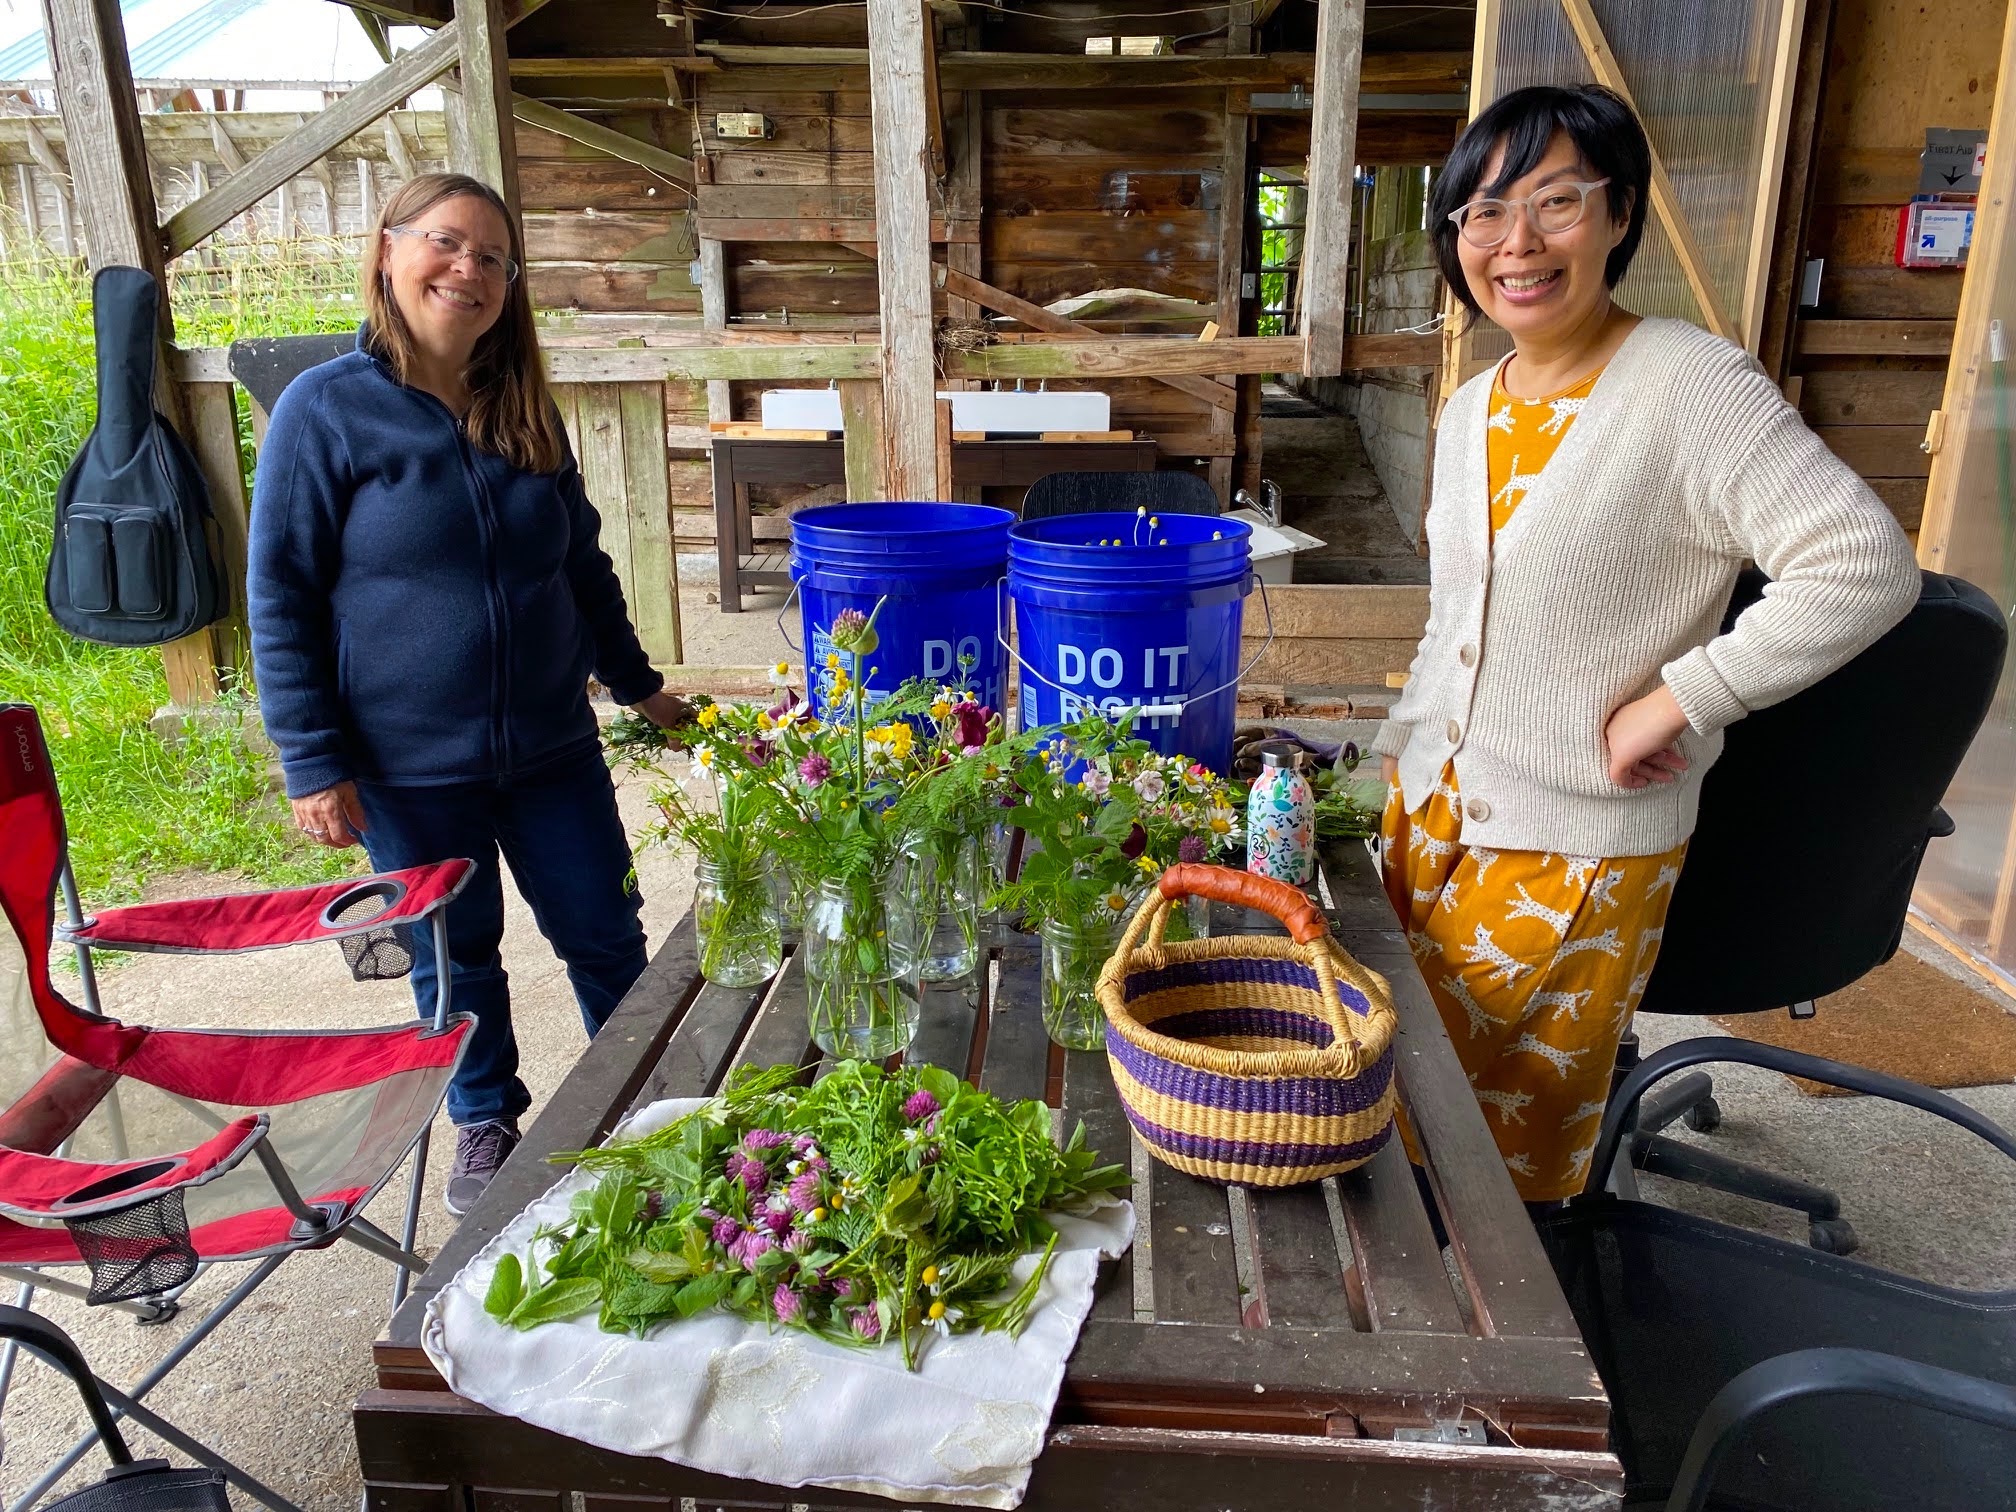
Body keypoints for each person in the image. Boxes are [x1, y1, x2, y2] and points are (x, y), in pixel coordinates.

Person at [1373, 85, 1920, 1209]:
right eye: (1482, 214)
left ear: (1619, 214)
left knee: (1485, 1178)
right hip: (1428, 821)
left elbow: (1863, 563)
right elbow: (1456, 621)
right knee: (1385, 1108)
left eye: (1556, 201)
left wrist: (1683, 697)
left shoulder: (1690, 385)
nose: (1516, 243)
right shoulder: (1472, 405)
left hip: (1570, 843)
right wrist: (1391, 760)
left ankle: (1506, 1368)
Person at [248, 173, 690, 1215]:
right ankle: (485, 1117)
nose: (470, 271)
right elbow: (282, 594)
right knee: (454, 956)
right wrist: (312, 761)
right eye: (449, 245)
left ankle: (648, 1105)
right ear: (389, 252)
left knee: (605, 931)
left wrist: (639, 689)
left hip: (551, 750)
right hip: (404, 764)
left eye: (494, 258)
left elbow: (582, 571)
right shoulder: (326, 411)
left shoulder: (521, 406)